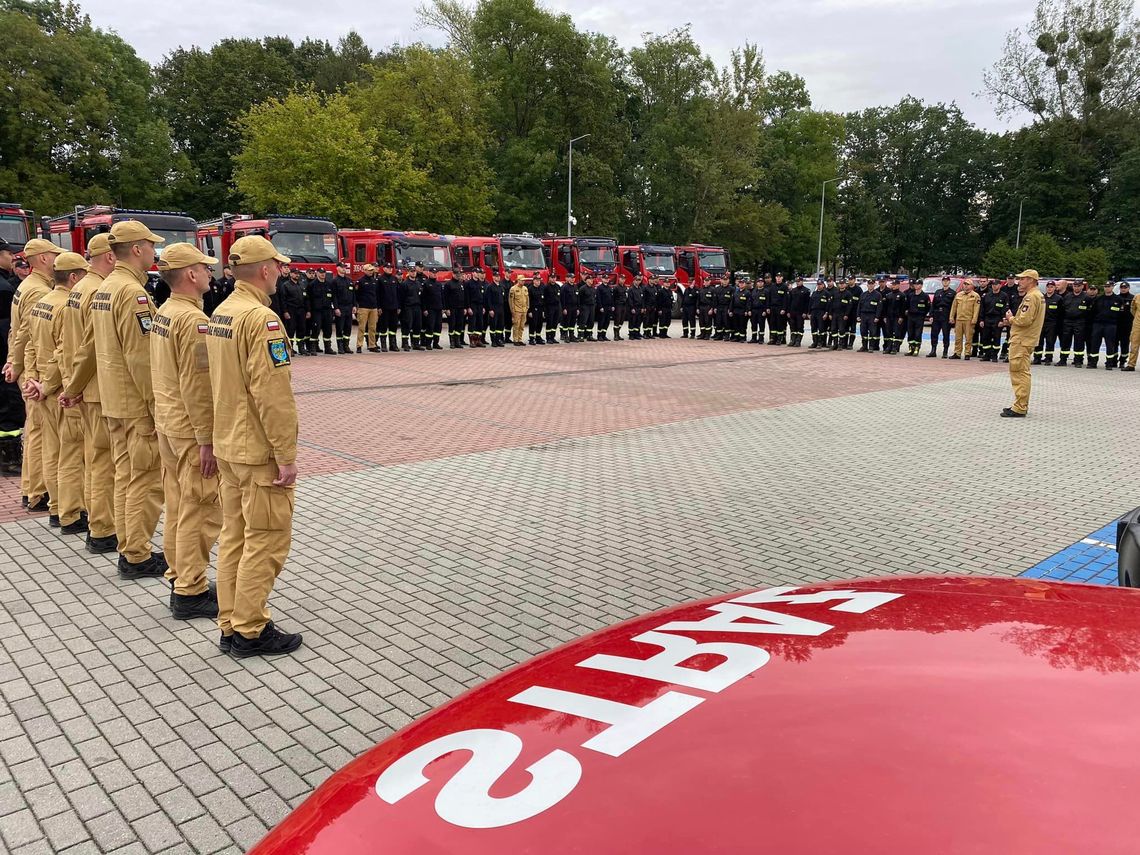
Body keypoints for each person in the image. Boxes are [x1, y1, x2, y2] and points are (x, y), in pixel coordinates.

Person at [206, 235, 301, 657]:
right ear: (264, 270)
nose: (280, 272)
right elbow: (272, 395)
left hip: (228, 443)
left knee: (235, 537)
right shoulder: (261, 320)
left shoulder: (221, 312)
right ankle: (249, 629)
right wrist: (286, 455)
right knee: (265, 539)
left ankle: (230, 622)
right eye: (277, 266)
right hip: (256, 449)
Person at [62, 221, 166, 578]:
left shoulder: (106, 288)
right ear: (136, 249)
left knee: (124, 475)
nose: (154, 251)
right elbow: (142, 358)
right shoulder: (131, 293)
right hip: (135, 403)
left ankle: (126, 544)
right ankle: (136, 553)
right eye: (151, 245)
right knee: (144, 479)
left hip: (112, 400)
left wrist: (73, 387)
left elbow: (88, 347)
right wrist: (157, 409)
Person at [151, 244, 223, 620]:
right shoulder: (194, 322)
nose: (211, 273)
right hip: (189, 429)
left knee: (180, 504)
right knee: (202, 509)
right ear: (191, 275)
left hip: (169, 423)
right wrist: (207, 440)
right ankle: (191, 590)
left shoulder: (165, 312)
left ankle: (181, 575)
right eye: (205, 268)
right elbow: (197, 386)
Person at [25, 250, 89, 533]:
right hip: (60, 388)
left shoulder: (43, 302)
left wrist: (32, 381)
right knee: (72, 454)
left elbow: (28, 344)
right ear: (74, 277)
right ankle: (71, 513)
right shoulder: (66, 307)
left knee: (53, 451)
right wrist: (48, 384)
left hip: (42, 388)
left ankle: (55, 507)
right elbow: (63, 353)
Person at [61, 234, 117, 552]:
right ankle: (103, 528)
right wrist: (76, 386)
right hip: (95, 388)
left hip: (84, 386)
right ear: (109, 257)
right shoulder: (96, 289)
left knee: (94, 459)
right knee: (104, 463)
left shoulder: (79, 288)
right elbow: (91, 348)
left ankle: (98, 523)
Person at [5, 238, 63, 511]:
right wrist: (18, 365)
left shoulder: (27, 286)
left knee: (35, 431)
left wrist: (12, 362)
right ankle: (39, 492)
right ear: (41, 258)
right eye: (53, 255)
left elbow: (15, 332)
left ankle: (32, 488)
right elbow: (28, 336)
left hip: (27, 367)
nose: (57, 260)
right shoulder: (39, 291)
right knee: (42, 434)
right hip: (35, 369)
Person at [1002, 269, 1046, 418]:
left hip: (1022, 339)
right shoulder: (1037, 295)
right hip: (1025, 339)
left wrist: (1011, 319)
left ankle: (1020, 406)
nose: (1019, 282)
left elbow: (1024, 320)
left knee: (1019, 372)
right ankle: (1020, 404)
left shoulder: (1031, 297)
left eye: (1022, 279)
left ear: (1031, 280)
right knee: (1021, 371)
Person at [0, 242, 25, 477]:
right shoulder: (5, 288)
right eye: (8, 253)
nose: (11, 257)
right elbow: (8, 329)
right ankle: (9, 459)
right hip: (3, 358)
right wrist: (12, 361)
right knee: (9, 408)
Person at [1087, 283, 1121, 370]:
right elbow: (1092, 312)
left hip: (1111, 324)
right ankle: (1093, 363)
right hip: (1098, 324)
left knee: (1110, 344)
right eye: (1105, 287)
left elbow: (1121, 314)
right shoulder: (1098, 299)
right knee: (1095, 343)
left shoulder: (1118, 299)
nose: (1107, 288)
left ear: (1112, 287)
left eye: (1109, 287)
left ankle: (1109, 363)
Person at [1059, 280, 1093, 366]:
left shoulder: (1086, 297)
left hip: (1080, 322)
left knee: (1079, 342)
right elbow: (1062, 309)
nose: (1076, 287)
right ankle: (1063, 360)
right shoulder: (1067, 296)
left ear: (1082, 287)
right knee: (1065, 341)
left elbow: (1090, 311)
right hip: (1067, 321)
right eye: (1075, 286)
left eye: (1078, 286)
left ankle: (1078, 361)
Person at [948, 279, 981, 360]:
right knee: (958, 338)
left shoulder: (975, 296)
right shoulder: (958, 295)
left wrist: (974, 319)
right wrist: (951, 317)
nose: (966, 286)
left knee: (968, 338)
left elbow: (977, 309)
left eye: (968, 284)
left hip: (969, 320)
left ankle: (967, 353)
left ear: (972, 286)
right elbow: (954, 307)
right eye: (965, 284)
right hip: (959, 319)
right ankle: (957, 353)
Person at [278, 268, 308, 355]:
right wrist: (285, 311)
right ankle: (289, 348)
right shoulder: (286, 285)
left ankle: (301, 348)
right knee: (291, 329)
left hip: (301, 310)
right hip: (291, 310)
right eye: (295, 273)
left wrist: (308, 310)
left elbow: (306, 299)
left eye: (298, 273)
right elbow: (283, 300)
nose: (297, 275)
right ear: (291, 274)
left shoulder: (302, 285)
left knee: (302, 329)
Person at [307, 268, 337, 355]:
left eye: (324, 273)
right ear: (317, 274)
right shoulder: (312, 285)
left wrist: (335, 308)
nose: (322, 274)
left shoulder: (329, 284)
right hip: (317, 311)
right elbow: (308, 299)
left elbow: (333, 297)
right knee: (316, 329)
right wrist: (309, 310)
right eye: (320, 273)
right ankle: (313, 347)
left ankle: (328, 348)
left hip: (327, 310)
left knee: (328, 329)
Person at [979, 281, 1010, 362]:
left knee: (996, 338)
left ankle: (994, 355)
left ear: (1000, 285)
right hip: (987, 319)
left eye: (996, 285)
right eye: (993, 285)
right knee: (986, 338)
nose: (994, 286)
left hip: (997, 319)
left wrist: (1002, 320)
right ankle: (987, 355)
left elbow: (1005, 309)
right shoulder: (986, 295)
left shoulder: (1004, 296)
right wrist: (981, 320)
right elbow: (982, 308)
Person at [1034, 280, 1063, 365]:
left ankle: (1048, 358)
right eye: (1048, 287)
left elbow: (1061, 312)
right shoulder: (1042, 297)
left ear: (1054, 288)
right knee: (1039, 341)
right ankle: (1037, 358)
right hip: (1041, 323)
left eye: (1051, 287)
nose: (1049, 288)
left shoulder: (1058, 298)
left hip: (1052, 323)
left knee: (1050, 341)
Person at [355, 264, 380, 352]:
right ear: (364, 270)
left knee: (373, 327)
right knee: (362, 327)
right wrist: (357, 305)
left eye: (372, 270)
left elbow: (377, 294)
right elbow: (356, 295)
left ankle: (372, 345)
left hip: (373, 307)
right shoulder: (360, 281)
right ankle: (359, 345)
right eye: (369, 270)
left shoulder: (374, 281)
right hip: (363, 307)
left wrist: (378, 307)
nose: (371, 272)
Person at [928, 277, 955, 357]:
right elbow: (933, 305)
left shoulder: (953, 293)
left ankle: (945, 351)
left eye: (947, 281)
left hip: (946, 315)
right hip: (937, 315)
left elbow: (954, 307)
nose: (945, 282)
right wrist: (931, 315)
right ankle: (933, 350)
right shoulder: (937, 292)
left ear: (949, 282)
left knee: (946, 334)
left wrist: (952, 317)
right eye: (944, 281)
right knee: (934, 334)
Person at [399, 266, 424, 351]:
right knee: (407, 325)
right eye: (412, 271)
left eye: (414, 271)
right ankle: (405, 343)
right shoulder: (405, 284)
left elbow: (422, 296)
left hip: (417, 307)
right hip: (408, 307)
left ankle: (416, 343)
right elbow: (401, 297)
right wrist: (401, 309)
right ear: (408, 272)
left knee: (417, 325)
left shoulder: (418, 283)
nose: (413, 273)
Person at [332, 264, 355, 353]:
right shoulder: (335, 281)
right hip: (340, 307)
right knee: (339, 327)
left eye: (345, 267)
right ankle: (340, 347)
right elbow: (334, 296)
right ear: (337, 268)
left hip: (349, 307)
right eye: (342, 267)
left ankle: (346, 346)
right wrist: (336, 308)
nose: (344, 269)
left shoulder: (349, 280)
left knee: (348, 327)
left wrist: (354, 305)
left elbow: (353, 294)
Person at [378, 262, 401, 352]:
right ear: (383, 268)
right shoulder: (380, 279)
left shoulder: (394, 279)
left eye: (391, 267)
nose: (390, 269)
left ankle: (393, 344)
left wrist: (399, 306)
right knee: (383, 327)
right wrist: (379, 307)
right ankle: (383, 345)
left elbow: (398, 294)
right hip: (384, 308)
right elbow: (378, 294)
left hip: (394, 307)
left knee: (393, 327)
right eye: (388, 267)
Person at [904, 279, 930, 357]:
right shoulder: (911, 295)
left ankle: (916, 348)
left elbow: (928, 307)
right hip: (911, 316)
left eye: (918, 284)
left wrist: (923, 314)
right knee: (910, 333)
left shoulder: (925, 296)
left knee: (918, 333)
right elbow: (907, 305)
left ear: (921, 285)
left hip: (919, 316)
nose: (916, 286)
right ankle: (911, 348)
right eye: (915, 284)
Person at [421, 269, 444, 350]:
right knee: (430, 326)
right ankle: (428, 344)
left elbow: (442, 296)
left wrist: (443, 307)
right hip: (430, 309)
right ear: (429, 273)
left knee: (438, 326)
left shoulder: (438, 284)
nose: (434, 274)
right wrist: (424, 309)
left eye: (435, 273)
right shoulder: (426, 283)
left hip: (438, 308)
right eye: (433, 273)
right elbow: (423, 298)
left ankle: (436, 343)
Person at [446, 269, 470, 349]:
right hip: (452, 308)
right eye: (456, 274)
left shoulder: (461, 284)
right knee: (452, 325)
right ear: (453, 274)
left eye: (459, 274)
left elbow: (464, 296)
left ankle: (457, 341)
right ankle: (452, 342)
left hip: (460, 308)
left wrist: (465, 307)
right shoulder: (448, 284)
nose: (458, 275)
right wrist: (447, 309)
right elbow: (445, 297)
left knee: (459, 325)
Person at [857, 280, 882, 352]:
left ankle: (871, 346)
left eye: (872, 284)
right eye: (869, 284)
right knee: (863, 331)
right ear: (867, 285)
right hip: (863, 315)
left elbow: (879, 307)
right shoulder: (863, 294)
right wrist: (858, 315)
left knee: (872, 332)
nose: (870, 285)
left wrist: (877, 317)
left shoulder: (878, 295)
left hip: (872, 315)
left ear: (874, 285)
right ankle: (864, 346)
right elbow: (859, 306)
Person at [830, 279, 854, 350]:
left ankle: (841, 344)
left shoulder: (848, 294)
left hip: (842, 314)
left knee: (841, 330)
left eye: (843, 284)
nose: (841, 285)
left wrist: (846, 314)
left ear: (845, 285)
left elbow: (849, 305)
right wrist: (830, 313)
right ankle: (835, 344)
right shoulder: (835, 293)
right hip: (834, 314)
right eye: (840, 284)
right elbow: (831, 304)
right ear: (838, 285)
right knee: (833, 329)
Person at [787, 276, 810, 348]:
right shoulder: (793, 291)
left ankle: (798, 341)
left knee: (800, 326)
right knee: (792, 326)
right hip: (793, 312)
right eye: (797, 281)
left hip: (801, 312)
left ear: (802, 281)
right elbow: (789, 302)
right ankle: (793, 340)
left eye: (799, 281)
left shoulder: (806, 291)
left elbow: (807, 303)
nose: (798, 282)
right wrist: (788, 311)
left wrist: (805, 312)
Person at [465, 270, 487, 348]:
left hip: (480, 305)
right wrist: (468, 307)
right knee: (472, 323)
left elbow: (483, 296)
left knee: (480, 323)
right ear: (473, 273)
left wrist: (483, 306)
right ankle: (472, 341)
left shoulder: (480, 283)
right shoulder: (468, 283)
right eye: (477, 273)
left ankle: (478, 340)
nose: (478, 274)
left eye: (479, 273)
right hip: (472, 305)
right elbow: (467, 296)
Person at [1122, 284, 1140, 372]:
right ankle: (1131, 365)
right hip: (1137, 324)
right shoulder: (1137, 297)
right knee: (1134, 345)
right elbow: (1133, 309)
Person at [1114, 281, 1132, 369]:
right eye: (1122, 288)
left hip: (1127, 325)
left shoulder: (1132, 298)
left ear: (1128, 288)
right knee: (1114, 343)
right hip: (1116, 324)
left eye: (1125, 288)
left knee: (1125, 344)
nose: (1123, 289)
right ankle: (1114, 360)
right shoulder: (1116, 298)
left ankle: (1122, 361)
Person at [810, 278, 832, 348]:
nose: (819, 286)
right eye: (818, 284)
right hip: (813, 312)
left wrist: (826, 313)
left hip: (821, 312)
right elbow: (810, 303)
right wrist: (809, 312)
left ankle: (820, 342)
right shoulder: (814, 293)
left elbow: (828, 305)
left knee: (821, 328)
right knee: (813, 328)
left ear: (823, 285)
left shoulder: (826, 294)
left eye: (820, 284)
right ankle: (815, 342)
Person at [767, 274, 788, 344]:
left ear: (782, 278)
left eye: (780, 277)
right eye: (777, 277)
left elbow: (785, 299)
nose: (778, 279)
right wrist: (768, 307)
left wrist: (784, 309)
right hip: (772, 307)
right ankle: (773, 338)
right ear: (775, 278)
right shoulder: (772, 286)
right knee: (772, 323)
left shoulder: (784, 286)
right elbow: (769, 298)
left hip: (780, 308)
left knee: (779, 324)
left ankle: (779, 339)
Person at [484, 275, 504, 347]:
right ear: (493, 277)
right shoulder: (490, 287)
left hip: (501, 308)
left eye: (499, 276)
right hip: (494, 308)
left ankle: (498, 339)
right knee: (493, 325)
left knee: (500, 325)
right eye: (496, 276)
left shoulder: (501, 286)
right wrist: (490, 309)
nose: (498, 277)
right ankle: (493, 341)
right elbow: (488, 299)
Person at [509, 276, 529, 346]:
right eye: (522, 280)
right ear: (518, 280)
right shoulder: (513, 289)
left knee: (522, 326)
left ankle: (520, 339)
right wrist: (512, 310)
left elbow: (527, 299)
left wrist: (527, 307)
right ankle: (515, 339)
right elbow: (511, 301)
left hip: (524, 310)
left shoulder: (525, 288)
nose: (524, 282)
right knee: (516, 325)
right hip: (517, 310)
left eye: (524, 280)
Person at [560, 275, 580, 342]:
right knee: (566, 322)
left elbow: (577, 298)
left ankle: (572, 336)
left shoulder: (575, 286)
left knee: (573, 322)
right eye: (571, 278)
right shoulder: (564, 287)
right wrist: (564, 308)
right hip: (567, 307)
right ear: (568, 278)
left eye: (574, 278)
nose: (572, 279)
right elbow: (562, 299)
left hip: (574, 307)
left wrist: (577, 308)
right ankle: (565, 336)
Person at [526, 275, 544, 345]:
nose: (538, 282)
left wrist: (543, 310)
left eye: (539, 280)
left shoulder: (541, 288)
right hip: (533, 309)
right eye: (537, 280)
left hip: (540, 308)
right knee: (533, 324)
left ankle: (538, 337)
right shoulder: (530, 289)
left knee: (540, 323)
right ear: (533, 281)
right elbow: (528, 301)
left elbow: (543, 299)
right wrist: (529, 311)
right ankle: (531, 338)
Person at [595, 275, 613, 341]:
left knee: (607, 321)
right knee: (601, 321)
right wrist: (600, 307)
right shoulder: (599, 288)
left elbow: (611, 298)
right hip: (603, 307)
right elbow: (598, 298)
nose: (607, 279)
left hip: (608, 307)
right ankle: (599, 335)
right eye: (605, 278)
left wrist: (612, 306)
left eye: (607, 278)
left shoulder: (609, 287)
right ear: (602, 279)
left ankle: (604, 335)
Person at [610, 275, 627, 341]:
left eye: (624, 279)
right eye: (621, 279)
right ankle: (615, 335)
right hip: (618, 305)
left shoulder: (625, 287)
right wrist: (613, 306)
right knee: (617, 320)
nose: (623, 280)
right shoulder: (616, 288)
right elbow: (613, 298)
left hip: (623, 305)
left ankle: (618, 332)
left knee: (622, 320)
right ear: (619, 279)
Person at [626, 275, 644, 340]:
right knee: (632, 322)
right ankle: (631, 335)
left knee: (638, 322)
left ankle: (636, 334)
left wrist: (642, 307)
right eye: (636, 280)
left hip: (639, 308)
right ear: (634, 281)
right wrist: (632, 308)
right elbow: (630, 300)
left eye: (639, 280)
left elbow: (642, 299)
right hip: (634, 308)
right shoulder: (631, 289)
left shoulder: (640, 289)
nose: (638, 281)